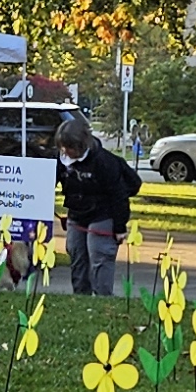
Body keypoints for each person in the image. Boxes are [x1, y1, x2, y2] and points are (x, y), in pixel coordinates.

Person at [54, 112, 137, 299]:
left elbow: (119, 195)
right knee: (77, 255)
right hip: (77, 213)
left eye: (69, 148)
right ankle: (81, 299)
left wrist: (119, 227)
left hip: (104, 213)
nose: (65, 152)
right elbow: (47, 182)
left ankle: (103, 299)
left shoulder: (104, 162)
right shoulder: (61, 160)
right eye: (62, 147)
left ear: (81, 145)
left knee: (99, 255)